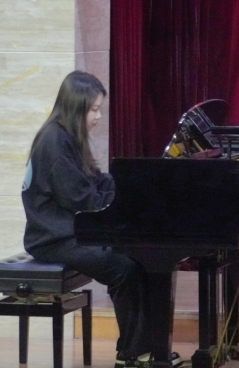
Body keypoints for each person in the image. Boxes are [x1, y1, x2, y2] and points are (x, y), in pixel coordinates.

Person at [21, 71, 182, 368]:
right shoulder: (54, 142)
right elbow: (81, 198)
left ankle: (143, 347)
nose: (98, 116)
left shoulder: (65, 136)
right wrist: (120, 203)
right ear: (76, 107)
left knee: (138, 260)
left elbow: (94, 179)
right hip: (53, 238)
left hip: (71, 231)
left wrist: (126, 187)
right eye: (93, 109)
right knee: (123, 267)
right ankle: (133, 353)